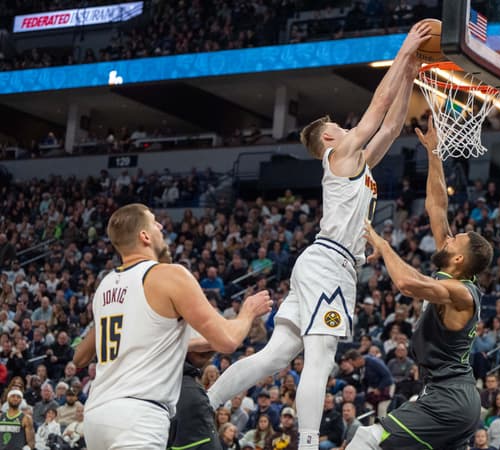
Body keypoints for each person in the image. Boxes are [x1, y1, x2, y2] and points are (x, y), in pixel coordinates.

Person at [206, 23, 432, 450]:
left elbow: (390, 125)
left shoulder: (356, 161)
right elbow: (375, 109)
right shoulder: (337, 154)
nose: (350, 129)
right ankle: (308, 444)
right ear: (329, 138)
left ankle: (207, 400)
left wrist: (410, 73)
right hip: (330, 264)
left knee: (275, 356)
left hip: (324, 263)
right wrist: (402, 52)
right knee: (321, 355)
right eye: (341, 128)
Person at [349, 116, 493, 450]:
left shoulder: (461, 292)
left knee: (368, 437)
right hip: (448, 396)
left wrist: (382, 244)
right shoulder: (452, 269)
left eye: (456, 239)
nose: (450, 236)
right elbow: (437, 205)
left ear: (459, 260)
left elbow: (407, 284)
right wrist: (434, 153)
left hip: (449, 398)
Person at [80, 204, 273, 449]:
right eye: (154, 222)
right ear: (145, 236)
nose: (161, 226)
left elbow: (82, 356)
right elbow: (227, 340)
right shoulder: (169, 275)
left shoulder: (105, 285)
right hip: (138, 414)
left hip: (97, 413)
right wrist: (248, 312)